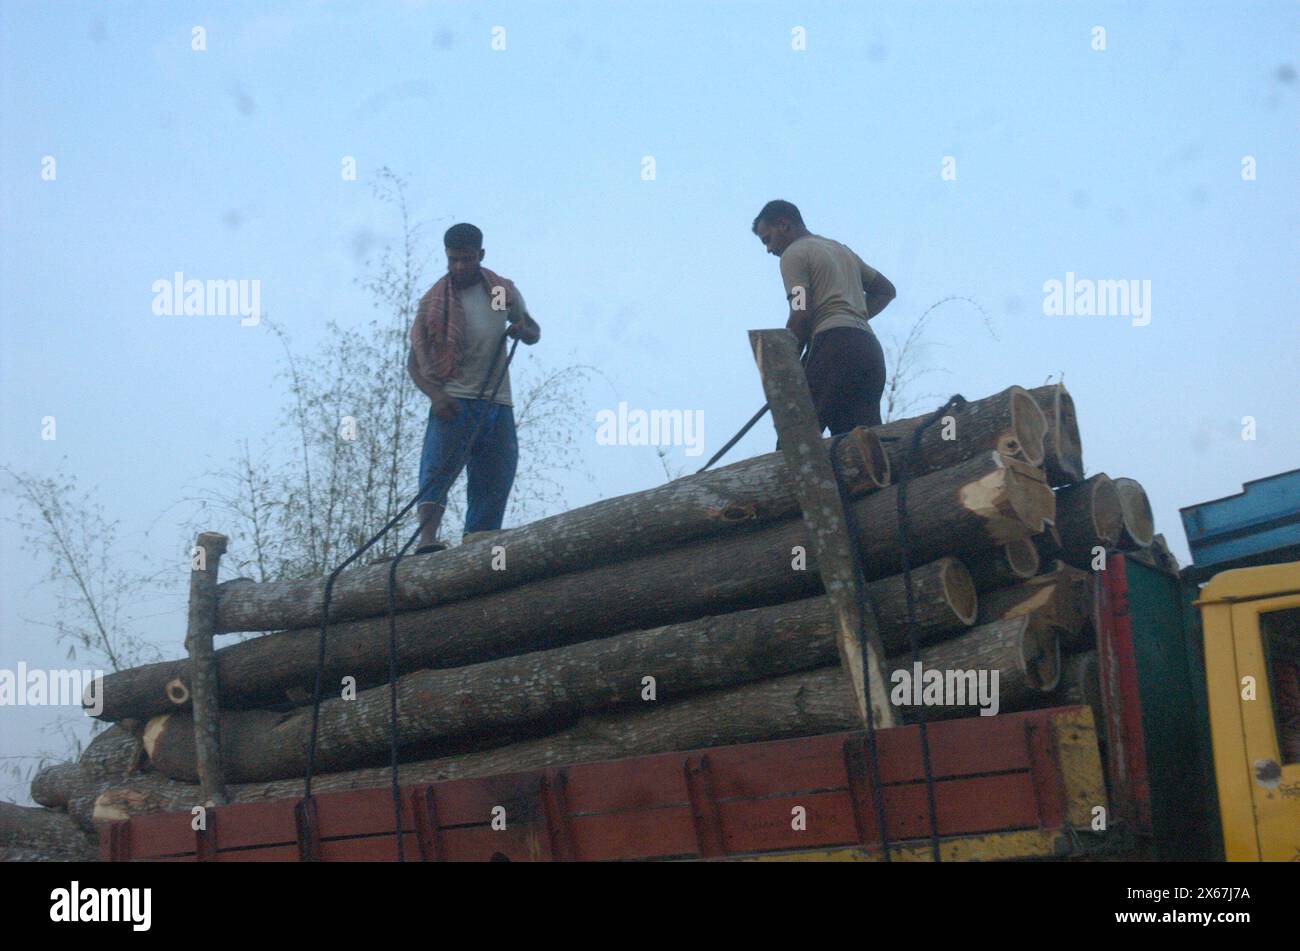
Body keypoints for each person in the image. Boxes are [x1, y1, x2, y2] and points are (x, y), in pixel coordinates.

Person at [406, 223, 540, 553]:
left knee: (494, 479)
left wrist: (523, 329)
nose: (459, 267)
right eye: (453, 260)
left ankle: (478, 546)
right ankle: (427, 542)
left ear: (480, 255)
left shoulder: (498, 292)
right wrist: (435, 395)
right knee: (436, 473)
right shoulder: (435, 302)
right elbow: (413, 360)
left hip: (498, 403)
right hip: (454, 401)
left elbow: (532, 329)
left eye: (466, 259)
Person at [751, 200, 895, 434]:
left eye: (767, 239)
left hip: (833, 348)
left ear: (784, 225)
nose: (768, 249)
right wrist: (853, 316)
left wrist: (787, 364)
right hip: (868, 350)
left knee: (797, 438)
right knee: (858, 443)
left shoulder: (793, 255)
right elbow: (886, 290)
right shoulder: (841, 250)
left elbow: (800, 312)